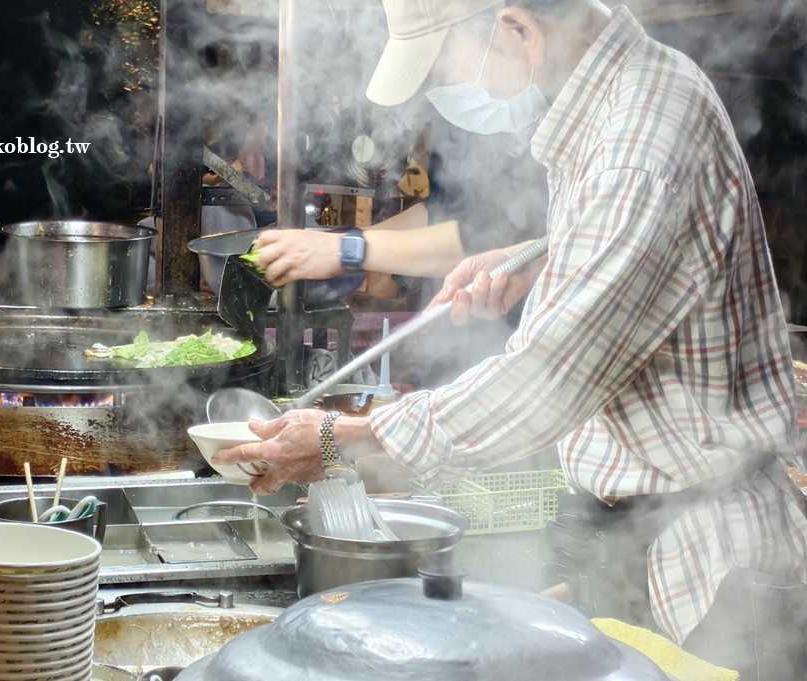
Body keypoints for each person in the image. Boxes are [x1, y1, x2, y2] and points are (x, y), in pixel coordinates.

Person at [213, 1, 807, 678]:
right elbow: (644, 258)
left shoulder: (641, 141)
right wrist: (538, 258)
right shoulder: (622, 100)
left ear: (519, 28)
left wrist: (341, 438)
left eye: (445, 61)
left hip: (701, 563)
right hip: (625, 537)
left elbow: (553, 370)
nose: (445, 87)